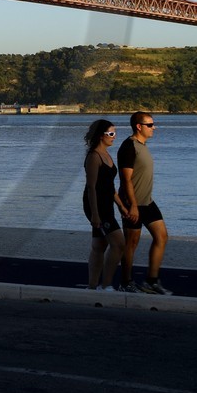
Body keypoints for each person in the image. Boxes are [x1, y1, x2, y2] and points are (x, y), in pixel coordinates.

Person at [116, 110, 171, 295]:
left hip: (147, 202)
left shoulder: (143, 145)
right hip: (133, 203)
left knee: (162, 236)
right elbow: (126, 180)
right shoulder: (128, 146)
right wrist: (131, 205)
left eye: (153, 124)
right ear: (139, 127)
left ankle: (151, 281)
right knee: (131, 243)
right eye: (150, 125)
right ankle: (126, 282)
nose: (153, 127)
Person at [81, 118, 122, 290]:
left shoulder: (107, 154)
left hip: (107, 204)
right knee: (119, 244)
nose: (114, 136)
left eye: (115, 133)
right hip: (97, 206)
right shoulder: (94, 157)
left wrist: (121, 205)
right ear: (100, 136)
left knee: (99, 246)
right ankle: (105, 286)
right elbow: (91, 187)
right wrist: (95, 214)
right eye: (110, 134)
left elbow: (110, 186)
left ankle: (92, 286)